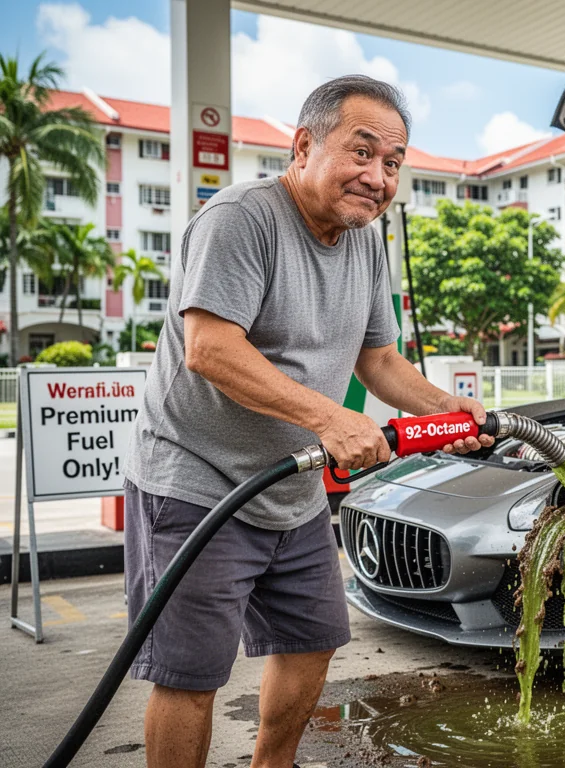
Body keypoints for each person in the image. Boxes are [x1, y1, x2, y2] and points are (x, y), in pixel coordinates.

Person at [122, 75, 494, 768]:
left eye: (393, 163)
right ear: (302, 147)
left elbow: (379, 361)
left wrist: (446, 408)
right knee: (189, 673)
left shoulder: (365, 243)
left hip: (290, 493)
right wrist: (330, 419)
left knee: (313, 640)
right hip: (197, 483)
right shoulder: (242, 218)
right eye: (362, 152)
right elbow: (210, 348)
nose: (378, 177)